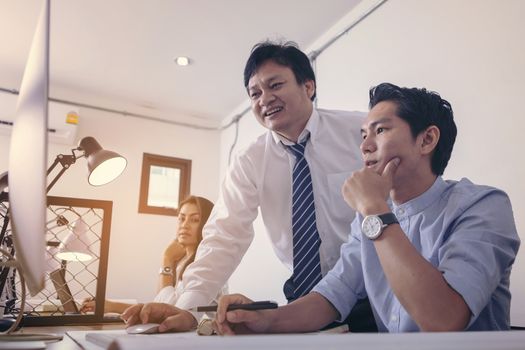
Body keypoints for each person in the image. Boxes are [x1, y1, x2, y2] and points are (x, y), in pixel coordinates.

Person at [213, 82, 521, 334]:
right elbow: (332, 295)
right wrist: (265, 320)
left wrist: (374, 208)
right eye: (363, 135)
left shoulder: (483, 206)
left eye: (381, 130)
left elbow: (443, 320)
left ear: (427, 139)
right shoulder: (370, 218)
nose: (364, 146)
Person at [121, 41, 372, 332]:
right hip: (303, 300)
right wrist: (188, 307)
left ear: (308, 86)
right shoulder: (249, 160)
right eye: (255, 93)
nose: (265, 99)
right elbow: (224, 235)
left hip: (373, 291)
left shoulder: (361, 132)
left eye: (275, 85)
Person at [81, 195, 217, 314]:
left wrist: (167, 259)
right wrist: (109, 306)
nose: (184, 225)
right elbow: (159, 305)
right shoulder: (182, 261)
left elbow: (171, 311)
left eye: (194, 220)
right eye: (181, 219)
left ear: (207, 224)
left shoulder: (204, 263)